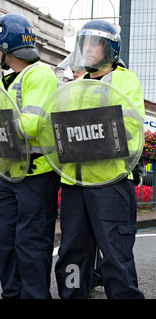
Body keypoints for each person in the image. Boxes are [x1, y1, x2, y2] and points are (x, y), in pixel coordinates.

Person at [54, 19, 145, 299]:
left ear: (109, 49)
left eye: (95, 43)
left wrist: (88, 128)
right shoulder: (75, 84)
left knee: (116, 255)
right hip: (75, 181)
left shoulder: (125, 79)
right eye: (85, 43)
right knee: (72, 252)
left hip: (111, 182)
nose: (88, 48)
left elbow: (130, 128)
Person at [0, 13, 60, 299]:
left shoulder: (39, 74)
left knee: (31, 242)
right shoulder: (8, 80)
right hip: (9, 173)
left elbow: (29, 125)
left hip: (35, 176)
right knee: (5, 241)